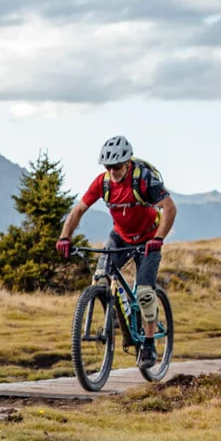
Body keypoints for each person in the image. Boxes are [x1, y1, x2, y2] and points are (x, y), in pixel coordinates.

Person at [56, 135, 178, 366]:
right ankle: (112, 316)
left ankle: (149, 345)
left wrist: (159, 238)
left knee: (145, 293)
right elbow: (78, 210)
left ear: (128, 162)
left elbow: (169, 208)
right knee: (100, 278)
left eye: (118, 166)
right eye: (108, 167)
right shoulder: (102, 183)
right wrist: (64, 237)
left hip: (148, 239)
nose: (113, 171)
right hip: (120, 237)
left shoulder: (144, 180)